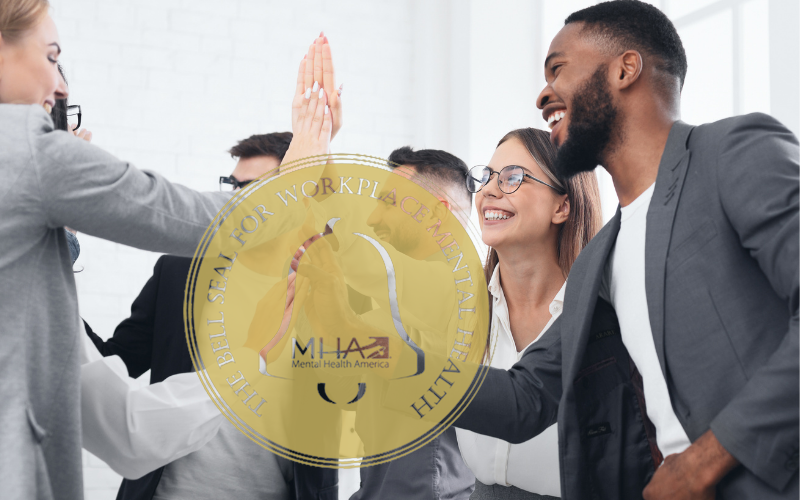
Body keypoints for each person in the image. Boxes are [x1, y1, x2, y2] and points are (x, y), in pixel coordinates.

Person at [453, 1, 798, 499]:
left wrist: (702, 461)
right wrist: (390, 355)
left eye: (558, 69)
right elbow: (525, 399)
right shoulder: (600, 260)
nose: (542, 94)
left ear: (624, 69)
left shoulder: (733, 152)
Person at [0, 2, 334, 498]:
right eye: (51, 57)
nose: (62, 87)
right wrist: (301, 170)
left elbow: (127, 425)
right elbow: (180, 211)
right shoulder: (23, 147)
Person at [85, 132, 338, 500]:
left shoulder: (325, 287)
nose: (237, 201)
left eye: (254, 190)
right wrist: (50, 278)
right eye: (233, 187)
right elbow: (112, 361)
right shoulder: (179, 273)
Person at [456, 128, 601, 499]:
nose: (489, 190)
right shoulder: (464, 311)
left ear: (562, 206)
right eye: (486, 176)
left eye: (512, 178)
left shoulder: (600, 318)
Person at [343, 146, 477, 500]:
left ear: (436, 211)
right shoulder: (400, 299)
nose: (373, 218)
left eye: (388, 201)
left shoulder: (457, 284)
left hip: (423, 486)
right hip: (381, 482)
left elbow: (351, 255)